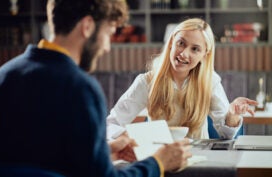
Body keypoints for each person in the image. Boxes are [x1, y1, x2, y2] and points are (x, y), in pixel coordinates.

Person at [0, 0, 192, 177]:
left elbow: (37, 157)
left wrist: (105, 152)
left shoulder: (4, 75)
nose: (107, 47)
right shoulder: (81, 89)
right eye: (108, 33)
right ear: (87, 26)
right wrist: (159, 163)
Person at [107, 18, 258, 140]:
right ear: (172, 42)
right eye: (181, 44)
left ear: (204, 54)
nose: (184, 54)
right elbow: (111, 124)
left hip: (200, 162)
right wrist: (129, 137)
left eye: (195, 49)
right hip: (160, 161)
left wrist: (232, 114)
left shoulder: (210, 82)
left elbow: (227, 135)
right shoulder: (146, 81)